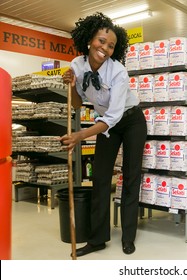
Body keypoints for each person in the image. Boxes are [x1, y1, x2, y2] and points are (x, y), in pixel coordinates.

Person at [61, 12, 147, 257]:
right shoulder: (77, 65)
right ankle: (98, 239)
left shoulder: (118, 73)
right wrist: (71, 84)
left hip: (130, 121)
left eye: (111, 45)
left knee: (130, 178)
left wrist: (80, 136)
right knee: (99, 179)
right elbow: (77, 104)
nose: (105, 48)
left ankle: (128, 238)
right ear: (89, 39)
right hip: (105, 124)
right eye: (101, 41)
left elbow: (112, 117)